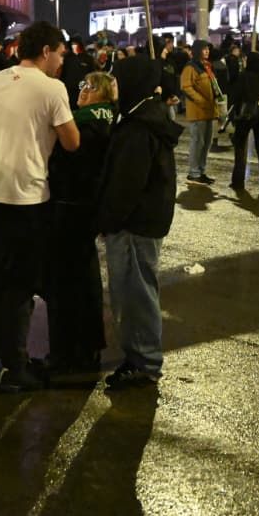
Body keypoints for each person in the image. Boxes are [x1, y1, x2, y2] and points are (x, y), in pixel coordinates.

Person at [0, 21, 79, 392]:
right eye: (60, 53)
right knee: (20, 284)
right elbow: (73, 142)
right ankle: (13, 363)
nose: (62, 61)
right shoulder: (52, 89)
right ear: (46, 51)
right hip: (28, 197)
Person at [96, 56, 182, 390]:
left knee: (134, 292)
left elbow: (125, 185)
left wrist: (107, 219)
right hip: (145, 220)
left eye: (117, 80)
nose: (113, 87)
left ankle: (143, 361)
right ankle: (141, 356)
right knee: (138, 288)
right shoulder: (144, 117)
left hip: (135, 224)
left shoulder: (137, 128)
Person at [46, 70, 117, 378]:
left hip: (70, 208)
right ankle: (85, 347)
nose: (83, 91)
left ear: (103, 94)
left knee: (66, 283)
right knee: (84, 280)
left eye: (90, 86)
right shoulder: (104, 121)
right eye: (83, 84)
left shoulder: (87, 124)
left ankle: (68, 353)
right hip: (85, 210)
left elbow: (68, 160)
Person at [230, 50, 259, 191]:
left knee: (240, 148)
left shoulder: (243, 76)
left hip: (246, 115)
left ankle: (238, 182)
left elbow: (235, 96)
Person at [180, 41, 220, 185]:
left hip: (209, 110)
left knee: (207, 142)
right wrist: (201, 101)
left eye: (208, 49)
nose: (207, 51)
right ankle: (194, 172)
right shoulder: (191, 67)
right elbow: (186, 87)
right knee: (198, 141)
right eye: (204, 49)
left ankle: (201, 171)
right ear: (197, 51)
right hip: (198, 111)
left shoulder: (207, 66)